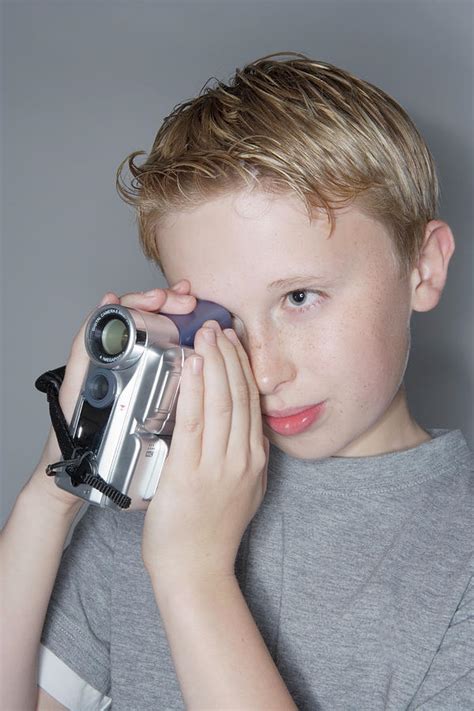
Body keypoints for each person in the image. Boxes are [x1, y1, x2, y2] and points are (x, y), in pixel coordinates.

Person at [1, 52, 472, 711]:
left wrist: (194, 574)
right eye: (220, 320)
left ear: (422, 269)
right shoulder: (152, 500)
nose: (264, 369)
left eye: (301, 297)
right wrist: (54, 493)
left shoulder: (461, 553)